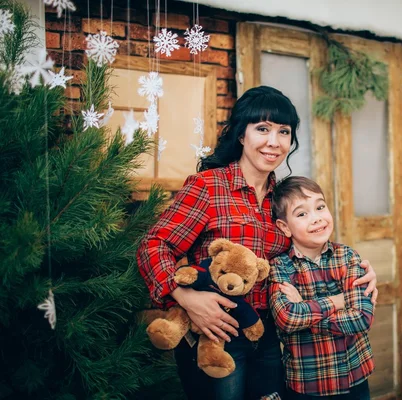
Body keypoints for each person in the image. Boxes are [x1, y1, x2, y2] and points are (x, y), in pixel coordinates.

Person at [136, 86, 378, 400]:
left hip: (271, 337)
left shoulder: (283, 199)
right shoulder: (208, 187)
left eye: (283, 132)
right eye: (262, 129)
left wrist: (359, 271)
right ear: (241, 135)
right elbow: (154, 245)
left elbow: (309, 251)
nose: (274, 142)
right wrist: (184, 297)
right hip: (216, 333)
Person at [268, 177, 374, 400]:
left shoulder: (347, 257)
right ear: (284, 227)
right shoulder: (280, 266)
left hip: (354, 378)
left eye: (320, 207)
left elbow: (362, 318)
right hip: (307, 384)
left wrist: (305, 313)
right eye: (301, 213)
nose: (316, 218)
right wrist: (338, 301)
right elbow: (286, 318)